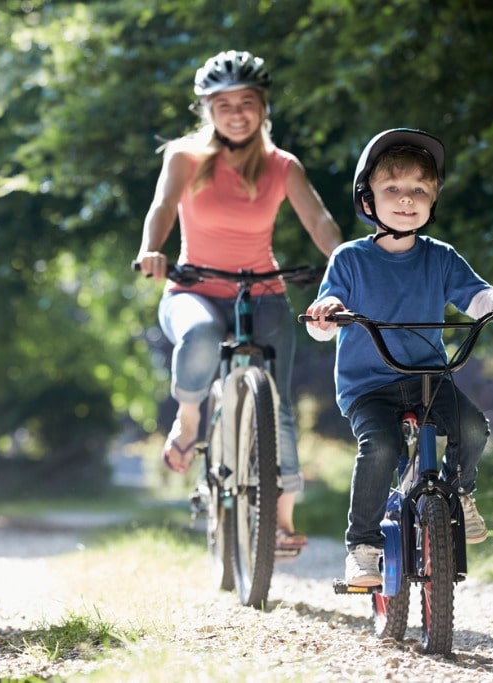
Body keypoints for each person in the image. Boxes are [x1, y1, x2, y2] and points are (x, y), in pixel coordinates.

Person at [303, 128, 493, 587]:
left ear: (432, 201)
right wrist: (326, 315)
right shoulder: (349, 260)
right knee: (381, 447)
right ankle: (363, 547)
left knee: (472, 427)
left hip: (429, 377)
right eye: (393, 189)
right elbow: (319, 322)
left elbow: (479, 297)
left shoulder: (440, 258)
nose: (406, 199)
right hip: (368, 384)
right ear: (367, 200)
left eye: (419, 190)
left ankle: (460, 493)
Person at [134, 50, 342, 550]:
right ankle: (188, 421)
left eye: (246, 102)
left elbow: (318, 220)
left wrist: (344, 260)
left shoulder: (282, 165)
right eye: (223, 103)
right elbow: (162, 207)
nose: (236, 112)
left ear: (262, 107)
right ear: (207, 108)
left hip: (262, 289)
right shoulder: (184, 157)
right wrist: (151, 251)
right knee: (202, 335)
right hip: (192, 287)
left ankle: (281, 522)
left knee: (278, 402)